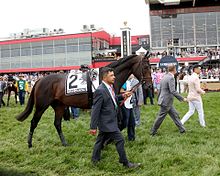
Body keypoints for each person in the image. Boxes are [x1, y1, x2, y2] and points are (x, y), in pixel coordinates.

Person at [89, 67, 141, 168]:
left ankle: (95, 159)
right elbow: (95, 110)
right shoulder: (100, 91)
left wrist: (122, 96)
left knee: (100, 140)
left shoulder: (109, 87)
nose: (114, 77)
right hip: (107, 122)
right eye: (111, 75)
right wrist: (93, 127)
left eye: (114, 75)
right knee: (120, 139)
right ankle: (125, 162)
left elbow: (112, 99)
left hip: (110, 121)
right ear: (104, 77)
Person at [150, 64, 187, 136]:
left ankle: (182, 129)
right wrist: (182, 98)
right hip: (166, 101)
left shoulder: (165, 76)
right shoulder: (171, 78)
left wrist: (159, 99)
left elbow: (160, 89)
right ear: (174, 69)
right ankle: (153, 131)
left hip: (165, 100)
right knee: (160, 117)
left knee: (175, 115)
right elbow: (173, 91)